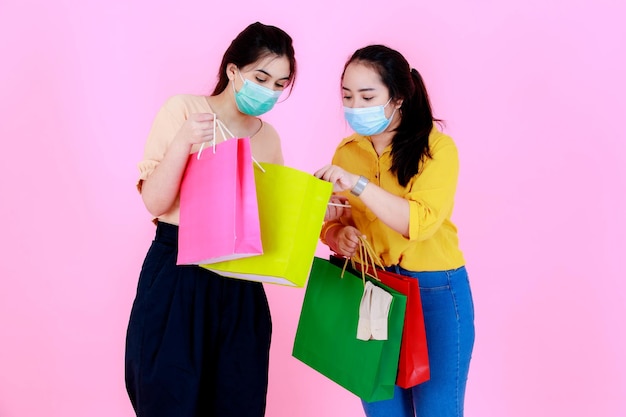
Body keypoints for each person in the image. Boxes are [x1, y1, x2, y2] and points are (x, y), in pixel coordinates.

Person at [124, 22, 297, 417]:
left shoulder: (268, 138)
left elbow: (270, 220)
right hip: (178, 269)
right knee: (166, 393)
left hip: (241, 281)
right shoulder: (184, 110)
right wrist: (185, 141)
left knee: (239, 395)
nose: (269, 91)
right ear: (233, 71)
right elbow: (154, 202)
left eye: (279, 84)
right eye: (261, 77)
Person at [314, 44, 475, 417]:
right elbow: (336, 222)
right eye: (347, 96)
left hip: (434, 290)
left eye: (367, 96)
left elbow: (417, 223)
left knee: (439, 411)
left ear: (398, 97)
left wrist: (357, 185)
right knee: (382, 410)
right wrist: (337, 235)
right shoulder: (347, 151)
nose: (355, 106)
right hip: (371, 288)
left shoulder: (437, 149)